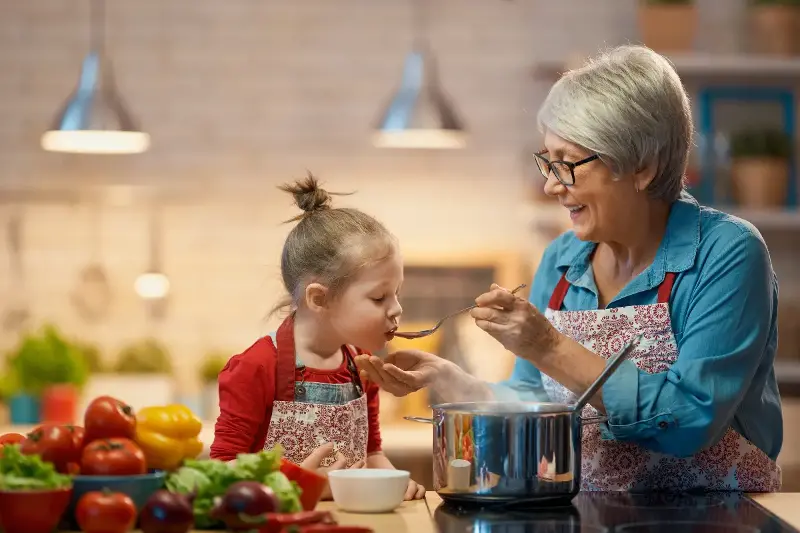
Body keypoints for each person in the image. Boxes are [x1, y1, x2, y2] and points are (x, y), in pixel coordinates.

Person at [356, 45, 783, 492]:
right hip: (589, 515)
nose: (550, 184)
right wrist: (451, 380)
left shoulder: (727, 253)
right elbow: (533, 402)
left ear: (642, 166)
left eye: (567, 163)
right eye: (547, 160)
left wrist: (551, 348)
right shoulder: (562, 260)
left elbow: (690, 420)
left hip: (723, 519)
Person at [210, 173, 425, 500]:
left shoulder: (362, 367)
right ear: (319, 298)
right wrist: (295, 483)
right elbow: (222, 473)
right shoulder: (255, 367)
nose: (396, 309)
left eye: (396, 293)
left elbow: (372, 453)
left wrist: (394, 480)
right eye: (379, 298)